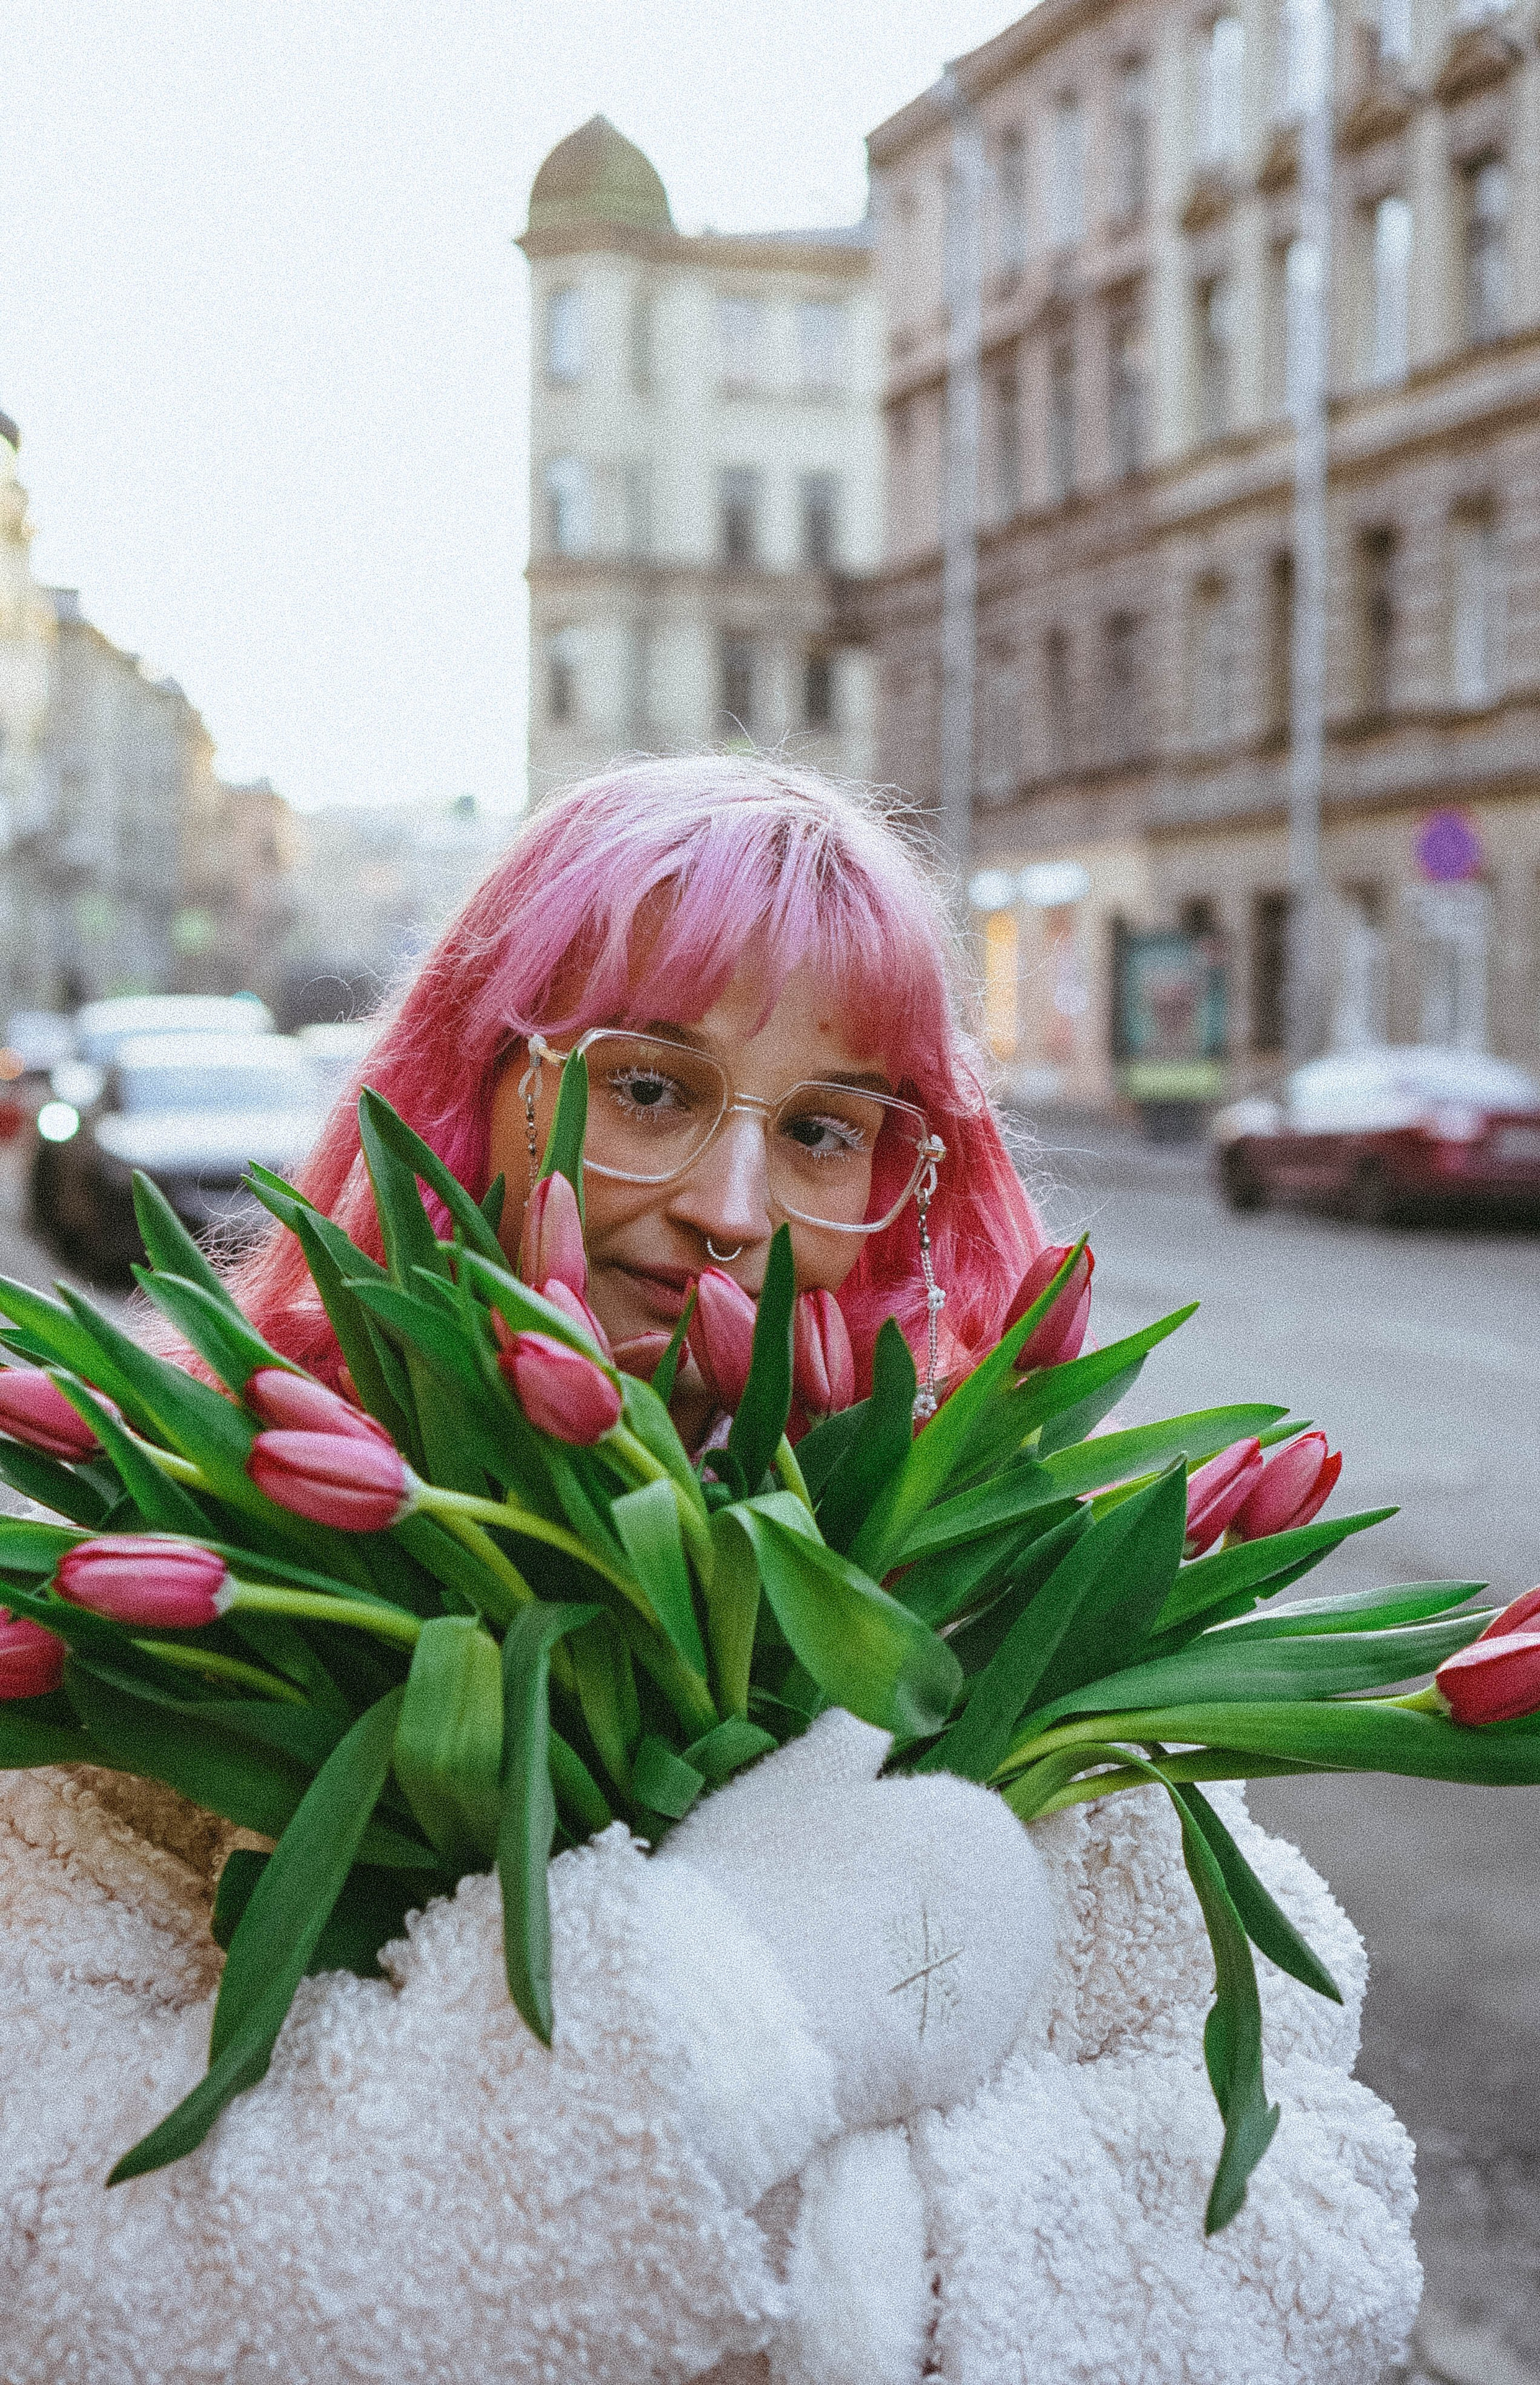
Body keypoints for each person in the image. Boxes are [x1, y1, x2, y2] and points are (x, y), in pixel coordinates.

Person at [0, 759, 1421, 2384]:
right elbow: (58, 2269)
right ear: (474, 1088)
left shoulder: (1011, 1610)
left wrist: (864, 2260)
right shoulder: (183, 1602)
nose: (729, 1212)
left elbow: (1325, 2231)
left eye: (824, 1129)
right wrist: (723, 2019)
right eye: (652, 1090)